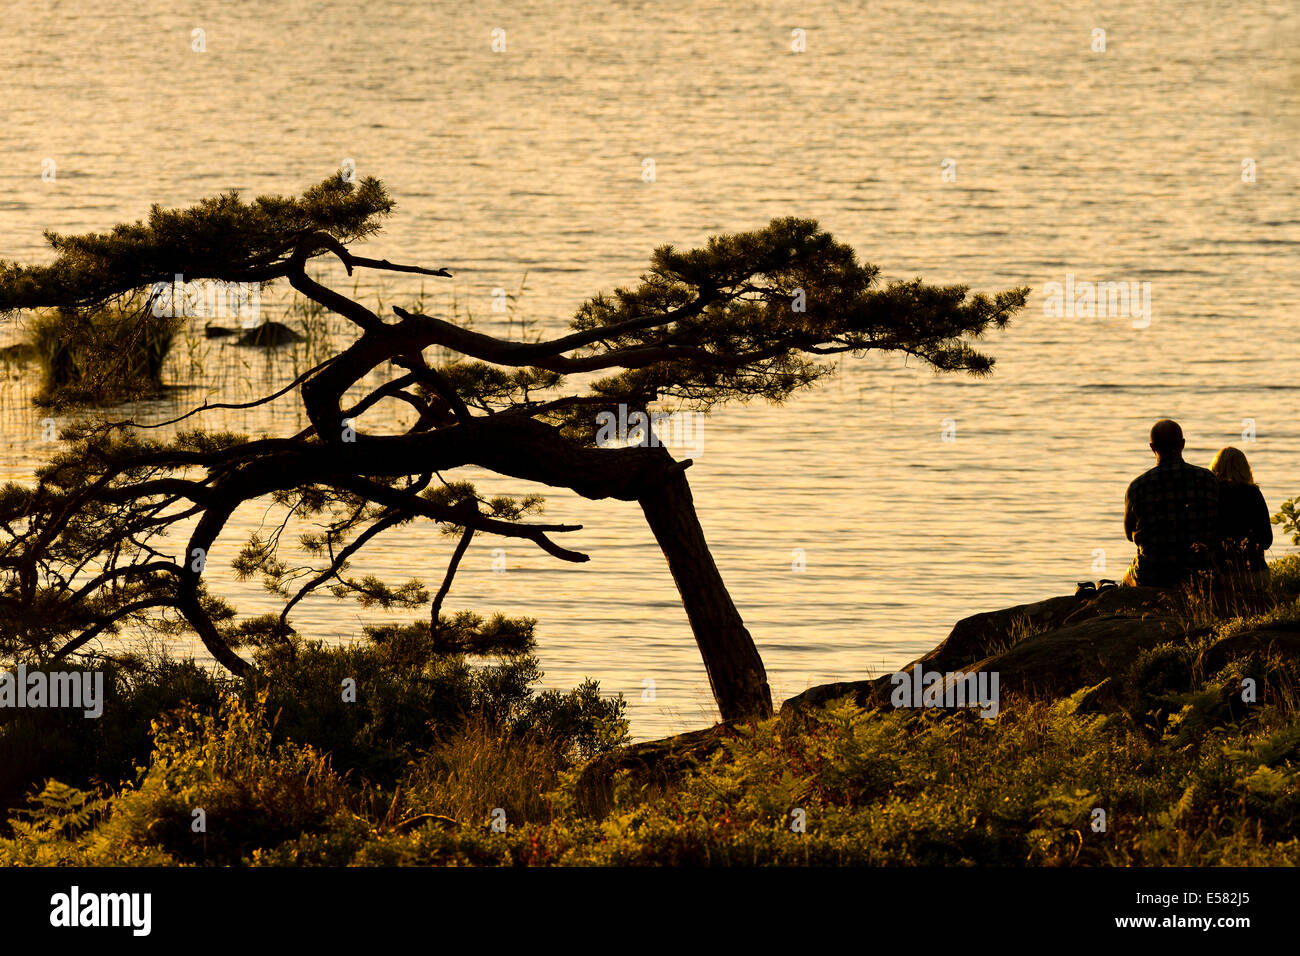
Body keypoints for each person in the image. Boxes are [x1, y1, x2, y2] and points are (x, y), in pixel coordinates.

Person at [1122, 420, 1219, 588]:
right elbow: (1220, 523)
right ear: (1182, 444)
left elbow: (1129, 534)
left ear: (1152, 447)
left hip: (1153, 574)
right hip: (1200, 572)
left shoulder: (1138, 486)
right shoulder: (1208, 479)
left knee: (1126, 581)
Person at [1209, 446, 1272, 588]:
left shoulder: (1212, 494)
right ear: (1244, 468)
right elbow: (1267, 540)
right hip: (1257, 575)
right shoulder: (1254, 494)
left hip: (1222, 574)